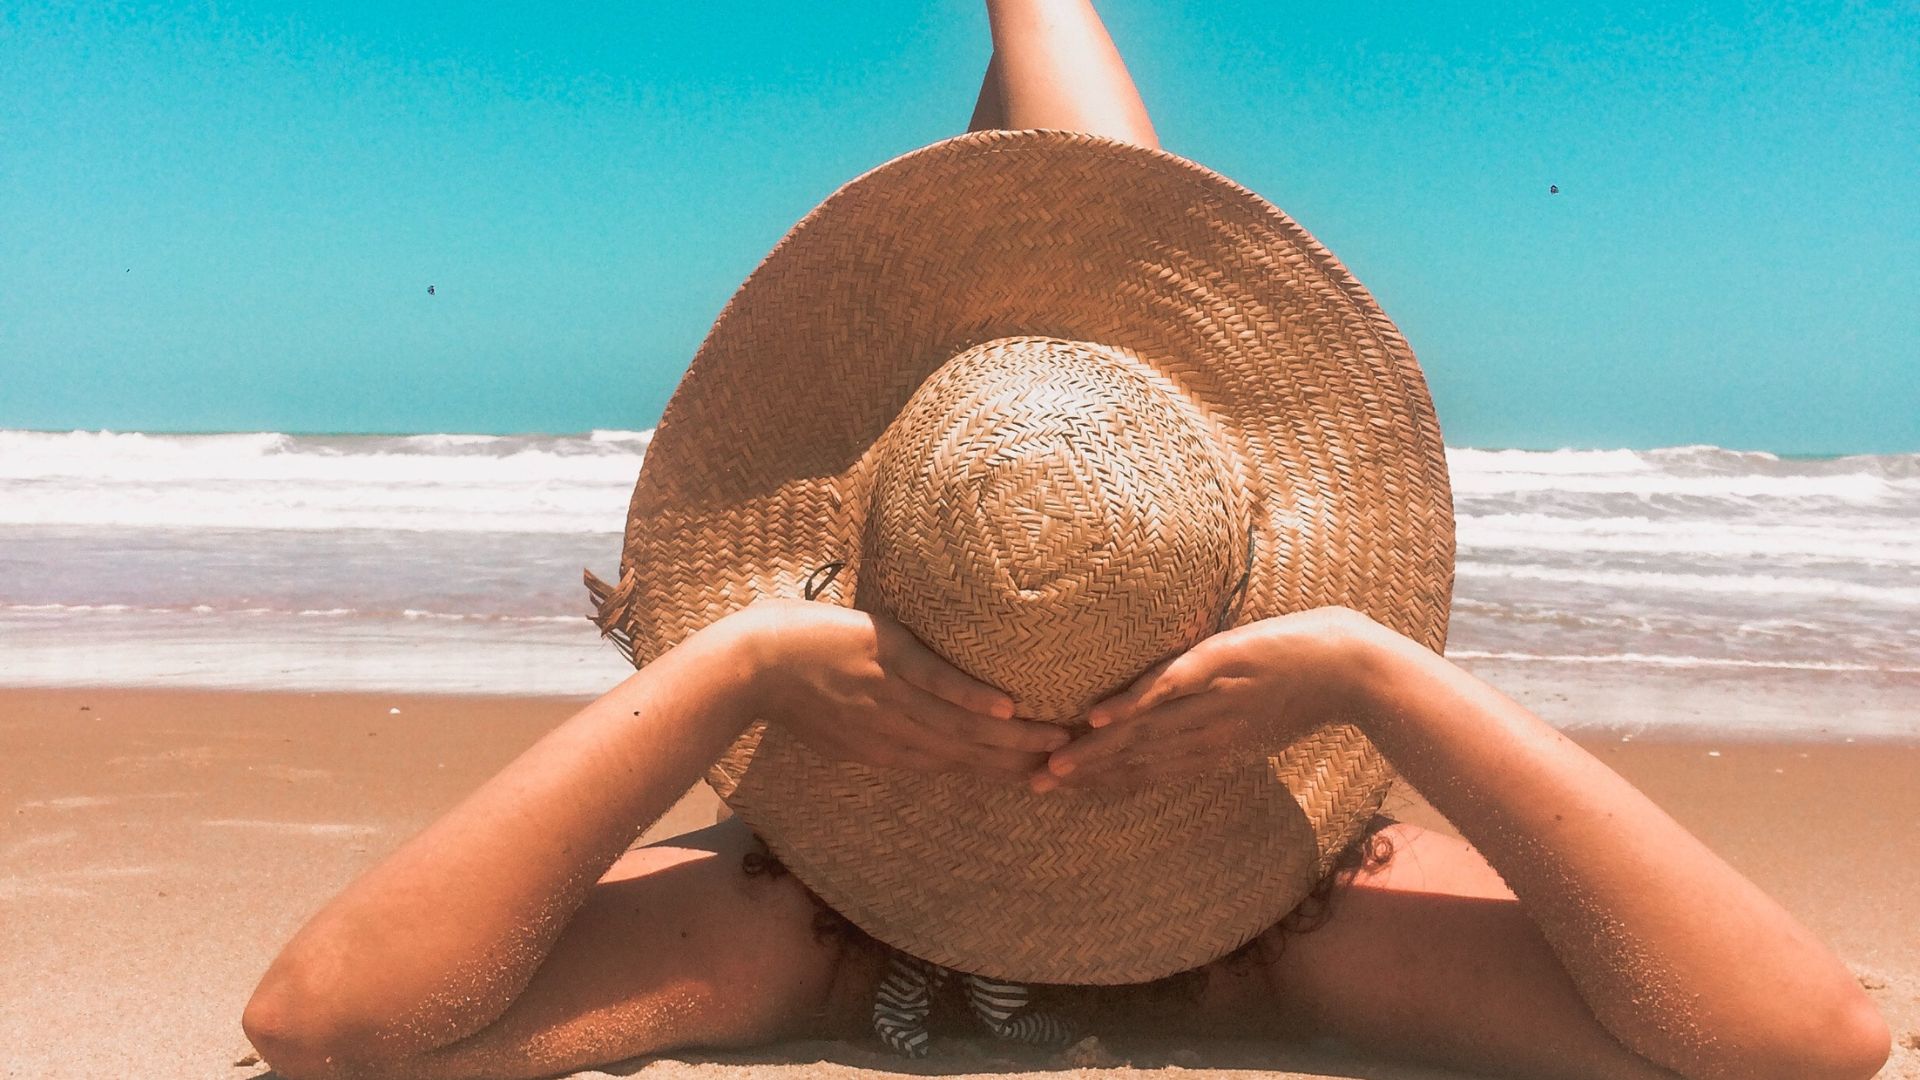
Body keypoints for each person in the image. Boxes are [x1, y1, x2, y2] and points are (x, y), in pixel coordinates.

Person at [240, 3, 1889, 1078]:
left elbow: (327, 1027)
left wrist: (727, 670)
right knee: (1075, 340)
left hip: (917, 827)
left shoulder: (778, 916)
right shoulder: (1306, 915)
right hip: (1177, 820)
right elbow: (1812, 1044)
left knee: (1076, 326)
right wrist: (1376, 683)